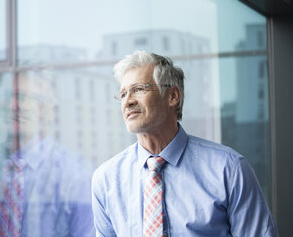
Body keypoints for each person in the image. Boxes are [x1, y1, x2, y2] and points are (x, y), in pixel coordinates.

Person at [91, 51, 278, 236]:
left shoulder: (228, 168)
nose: (128, 102)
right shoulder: (106, 179)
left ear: (173, 96)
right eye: (123, 94)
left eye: (139, 89)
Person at [0, 71, 95, 237]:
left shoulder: (77, 176)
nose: (15, 106)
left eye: (27, 98)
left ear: (50, 112)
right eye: (9, 97)